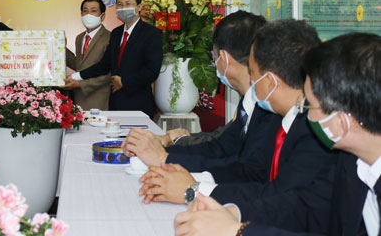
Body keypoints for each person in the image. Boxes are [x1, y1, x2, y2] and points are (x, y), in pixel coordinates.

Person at [174, 32, 381, 236]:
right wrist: (233, 213)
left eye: (309, 105)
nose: (303, 113)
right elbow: (307, 206)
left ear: (342, 121)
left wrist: (238, 231)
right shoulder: (351, 160)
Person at [138, 19, 335, 205]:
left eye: (253, 72)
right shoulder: (289, 117)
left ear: (270, 82)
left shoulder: (314, 131)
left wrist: (192, 191)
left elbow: (284, 200)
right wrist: (187, 178)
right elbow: (247, 168)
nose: (250, 81)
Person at [123, 11, 280, 172]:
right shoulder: (250, 102)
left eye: (214, 56)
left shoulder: (270, 108)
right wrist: (160, 152)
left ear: (224, 59)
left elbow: (244, 169)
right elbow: (220, 147)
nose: (213, 62)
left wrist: (163, 158)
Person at [65, 0, 163, 117]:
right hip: (116, 104)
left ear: (139, 7)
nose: (123, 8)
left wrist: (124, 82)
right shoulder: (116, 33)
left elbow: (152, 70)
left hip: (138, 104)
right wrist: (76, 76)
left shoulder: (151, 33)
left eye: (128, 4)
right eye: (120, 5)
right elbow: (104, 65)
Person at [62, 0, 112, 111]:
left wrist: (81, 85)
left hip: (99, 98)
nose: (88, 14)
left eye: (93, 10)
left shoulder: (110, 37)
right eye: (85, 10)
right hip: (79, 98)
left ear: (102, 16)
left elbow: (108, 74)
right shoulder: (79, 38)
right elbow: (79, 65)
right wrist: (60, 47)